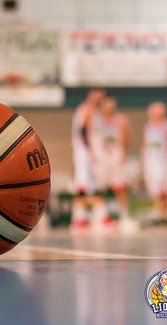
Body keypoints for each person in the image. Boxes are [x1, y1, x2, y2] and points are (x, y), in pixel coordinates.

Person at [91, 95, 138, 232]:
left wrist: (124, 152)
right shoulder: (96, 120)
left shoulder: (122, 120)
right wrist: (94, 155)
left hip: (116, 155)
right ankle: (101, 217)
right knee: (99, 188)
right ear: (102, 105)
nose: (110, 107)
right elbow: (93, 139)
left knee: (120, 187)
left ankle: (125, 217)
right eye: (107, 104)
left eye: (112, 104)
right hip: (102, 157)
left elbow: (127, 137)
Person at [70, 88, 109, 231]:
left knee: (90, 184)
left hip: (90, 152)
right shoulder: (86, 109)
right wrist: (89, 150)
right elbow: (82, 131)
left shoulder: (95, 112)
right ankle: (83, 218)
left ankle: (87, 217)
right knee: (84, 184)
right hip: (85, 152)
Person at [142, 102, 167, 225]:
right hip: (152, 160)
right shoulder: (148, 126)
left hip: (165, 160)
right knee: (155, 187)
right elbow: (146, 143)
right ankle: (157, 211)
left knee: (166, 187)